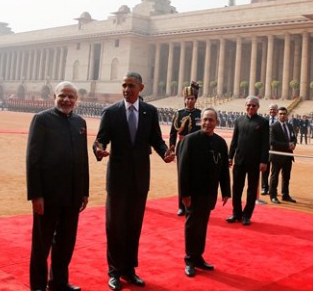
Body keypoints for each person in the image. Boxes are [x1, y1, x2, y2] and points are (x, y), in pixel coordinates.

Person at [92, 72, 175, 290]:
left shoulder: (150, 111)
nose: (127, 89)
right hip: (118, 180)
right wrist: (99, 150)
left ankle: (129, 270)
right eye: (124, 85)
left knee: (133, 227)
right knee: (115, 226)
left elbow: (156, 139)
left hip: (140, 179)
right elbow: (100, 140)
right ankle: (114, 272)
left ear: (141, 87)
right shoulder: (111, 112)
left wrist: (165, 152)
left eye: (131, 86)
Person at [26, 82, 89, 291]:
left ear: (77, 100)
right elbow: (32, 159)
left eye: (72, 97)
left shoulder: (80, 122)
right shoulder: (42, 120)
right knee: (41, 244)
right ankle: (38, 285)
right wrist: (36, 195)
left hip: (72, 195)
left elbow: (83, 159)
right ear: (54, 96)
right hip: (48, 194)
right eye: (63, 95)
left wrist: (84, 192)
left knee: (65, 243)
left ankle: (59, 282)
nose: (67, 100)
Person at [179, 108, 231, 278]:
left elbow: (224, 169)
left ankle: (198, 257)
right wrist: (184, 194)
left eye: (211, 120)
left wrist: (226, 191)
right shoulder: (191, 140)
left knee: (202, 226)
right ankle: (190, 260)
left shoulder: (220, 143)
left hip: (209, 193)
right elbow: (183, 169)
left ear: (217, 122)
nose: (208, 123)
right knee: (192, 226)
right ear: (201, 121)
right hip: (193, 193)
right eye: (205, 120)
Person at [227, 96, 269, 226]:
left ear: (258, 107)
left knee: (251, 190)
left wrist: (264, 161)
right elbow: (234, 140)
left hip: (254, 161)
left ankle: (247, 215)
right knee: (236, 188)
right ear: (245, 106)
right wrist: (230, 156)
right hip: (239, 160)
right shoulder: (239, 121)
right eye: (248, 105)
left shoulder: (263, 122)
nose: (251, 107)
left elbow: (265, 144)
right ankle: (236, 213)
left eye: (253, 105)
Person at [170, 82, 202, 216]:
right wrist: (171, 147)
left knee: (194, 177)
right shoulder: (179, 114)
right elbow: (173, 132)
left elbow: (202, 131)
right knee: (182, 177)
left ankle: (192, 205)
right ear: (184, 100)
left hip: (195, 148)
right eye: (188, 98)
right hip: (182, 146)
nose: (190, 101)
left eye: (192, 98)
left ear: (195, 100)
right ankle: (181, 206)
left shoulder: (200, 114)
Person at [268, 107, 297, 204]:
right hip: (277, 155)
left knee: (286, 176)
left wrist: (293, 144)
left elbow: (293, 137)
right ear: (277, 115)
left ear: (287, 115)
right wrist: (287, 145)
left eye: (284, 113)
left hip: (288, 155)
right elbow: (272, 142)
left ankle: (285, 195)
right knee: (274, 176)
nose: (282, 115)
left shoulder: (289, 126)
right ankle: (273, 195)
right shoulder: (274, 126)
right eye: (280, 114)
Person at [261, 104, 279, 195]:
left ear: (277, 111)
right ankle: (264, 187)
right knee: (265, 169)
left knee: (275, 170)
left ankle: (273, 189)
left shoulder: (280, 121)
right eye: (271, 110)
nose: (272, 111)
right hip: (266, 148)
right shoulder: (264, 121)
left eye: (274, 110)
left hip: (276, 149)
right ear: (269, 110)